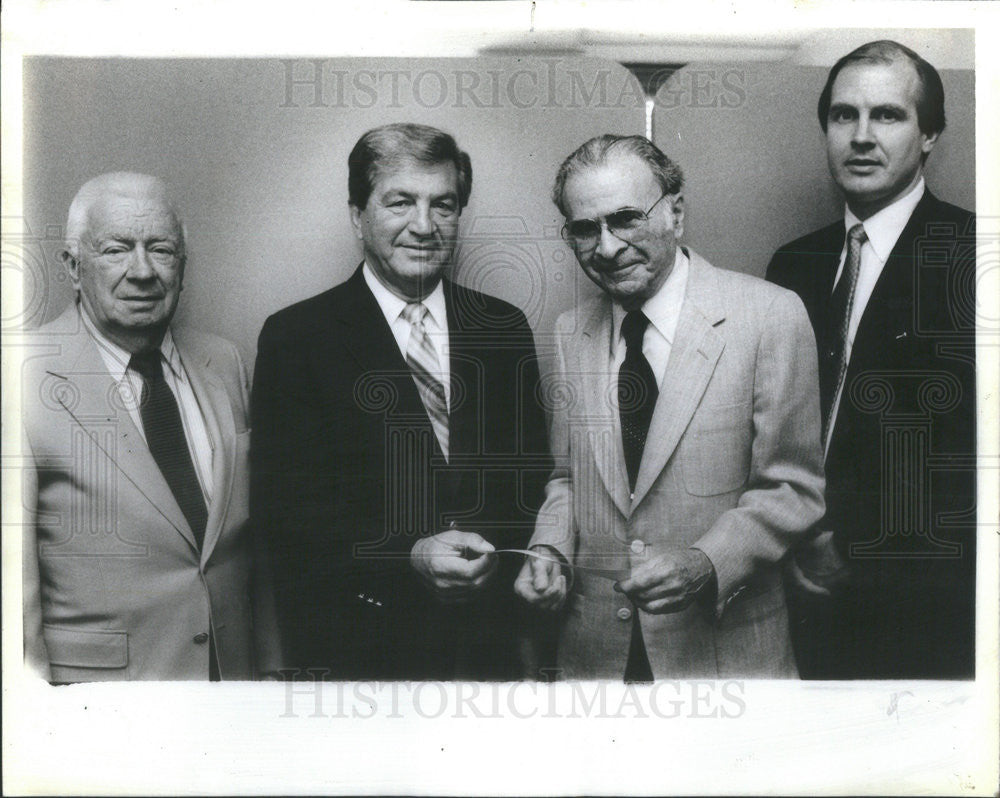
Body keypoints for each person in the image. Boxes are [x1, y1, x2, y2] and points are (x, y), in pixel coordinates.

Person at [515, 135, 825, 679]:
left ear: (675, 213)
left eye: (627, 219)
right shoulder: (571, 332)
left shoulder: (770, 315)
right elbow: (568, 479)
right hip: (595, 662)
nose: (607, 248)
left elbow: (792, 489)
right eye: (585, 229)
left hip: (726, 658)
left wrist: (707, 563)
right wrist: (550, 551)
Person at [251, 123, 551, 680]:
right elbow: (287, 512)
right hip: (365, 654)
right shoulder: (298, 337)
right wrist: (409, 555)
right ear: (357, 215)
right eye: (400, 202)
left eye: (444, 205)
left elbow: (532, 480)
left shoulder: (503, 328)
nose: (424, 226)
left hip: (492, 650)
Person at [766, 40, 976, 679]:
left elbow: (973, 453)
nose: (860, 136)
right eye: (842, 115)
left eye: (887, 115)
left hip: (923, 606)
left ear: (930, 133)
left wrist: (857, 549)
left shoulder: (976, 259)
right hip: (788, 592)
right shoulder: (793, 265)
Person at [21, 172, 281, 682]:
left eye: (160, 249)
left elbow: (253, 544)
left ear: (182, 268)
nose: (142, 271)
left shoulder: (224, 362)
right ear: (74, 267)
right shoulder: (20, 378)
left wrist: (271, 673)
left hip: (233, 696)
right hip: (100, 711)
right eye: (117, 250)